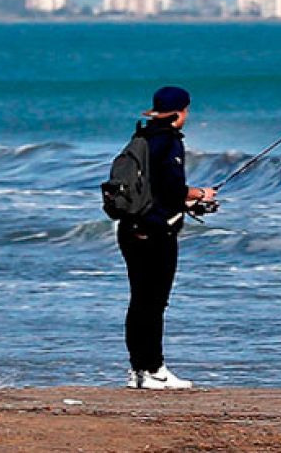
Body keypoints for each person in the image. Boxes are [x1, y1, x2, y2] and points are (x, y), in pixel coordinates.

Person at [117, 85, 217, 390]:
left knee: (139, 300)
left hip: (130, 227)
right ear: (179, 113)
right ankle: (155, 369)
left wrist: (184, 201)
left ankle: (138, 371)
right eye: (186, 110)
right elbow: (172, 189)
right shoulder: (169, 142)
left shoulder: (142, 137)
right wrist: (201, 194)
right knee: (154, 302)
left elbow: (153, 189)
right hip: (155, 231)